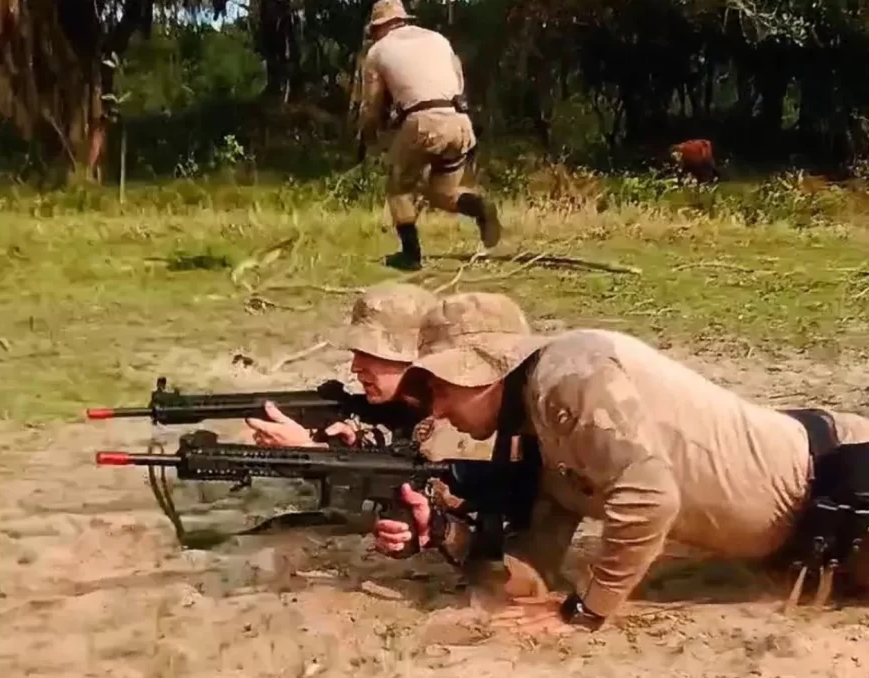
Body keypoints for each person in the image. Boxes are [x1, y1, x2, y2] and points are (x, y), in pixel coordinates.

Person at [374, 291, 869, 634]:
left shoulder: (568, 376)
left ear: (487, 372)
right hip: (815, 535)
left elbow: (651, 497)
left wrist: (587, 611)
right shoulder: (541, 432)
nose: (436, 409)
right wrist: (443, 533)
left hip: (840, 484)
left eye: (441, 388)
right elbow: (531, 575)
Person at [244, 281, 491, 462]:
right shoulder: (409, 408)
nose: (355, 367)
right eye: (356, 353)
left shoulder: (458, 420)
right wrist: (354, 443)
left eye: (369, 354)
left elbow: (417, 485)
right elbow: (398, 446)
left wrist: (308, 450)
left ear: (414, 358)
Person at [356, 0, 502, 272]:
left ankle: (410, 256)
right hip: (459, 123)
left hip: (424, 124)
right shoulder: (437, 39)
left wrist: (366, 135)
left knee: (397, 187)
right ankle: (481, 208)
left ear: (380, 26)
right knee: (442, 194)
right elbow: (457, 81)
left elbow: (371, 106)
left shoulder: (378, 51)